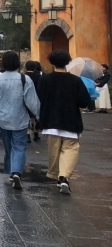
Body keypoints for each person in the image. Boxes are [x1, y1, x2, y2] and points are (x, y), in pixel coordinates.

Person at [38, 50, 94, 195]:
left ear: (52, 62)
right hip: (71, 121)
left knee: (54, 152)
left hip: (50, 121)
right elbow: (84, 102)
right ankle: (64, 177)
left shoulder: (45, 80)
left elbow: (39, 98)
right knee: (70, 149)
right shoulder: (75, 80)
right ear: (67, 62)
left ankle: (56, 174)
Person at [0, 51, 40, 191]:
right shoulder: (25, 79)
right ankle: (16, 172)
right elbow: (32, 102)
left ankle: (11, 172)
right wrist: (39, 117)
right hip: (20, 119)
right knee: (19, 146)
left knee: (8, 147)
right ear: (17, 63)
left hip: (3, 120)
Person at [24, 60, 43, 141]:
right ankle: (36, 133)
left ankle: (27, 134)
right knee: (35, 115)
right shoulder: (39, 77)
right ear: (35, 68)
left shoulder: (23, 77)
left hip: (25, 98)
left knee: (26, 116)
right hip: (37, 97)